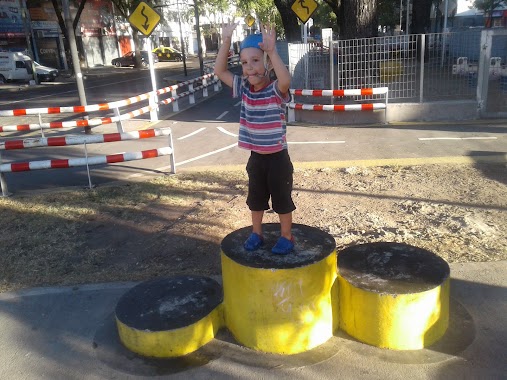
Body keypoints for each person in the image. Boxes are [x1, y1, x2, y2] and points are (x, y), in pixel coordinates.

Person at [214, 23, 296, 255]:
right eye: (244, 63)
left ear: (267, 64)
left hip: (278, 159)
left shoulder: (275, 90)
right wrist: (226, 41)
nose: (249, 68)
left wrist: (272, 52)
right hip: (256, 158)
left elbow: (285, 79)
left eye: (256, 61)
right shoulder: (245, 89)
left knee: (282, 199)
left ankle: (287, 236)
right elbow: (220, 71)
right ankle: (256, 233)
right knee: (256, 198)